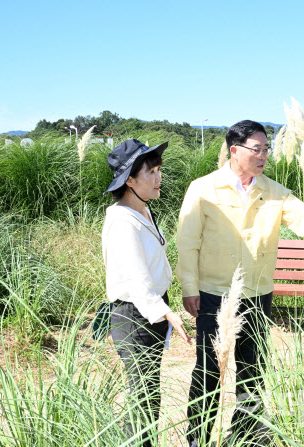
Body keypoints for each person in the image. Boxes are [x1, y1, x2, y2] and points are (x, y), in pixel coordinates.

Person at [176, 120, 304, 446]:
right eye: (257, 149)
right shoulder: (203, 188)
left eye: (266, 149)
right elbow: (187, 242)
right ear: (234, 150)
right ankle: (197, 438)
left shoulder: (273, 190)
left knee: (252, 371)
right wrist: (189, 287)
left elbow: (301, 216)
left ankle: (244, 435)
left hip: (257, 295)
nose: (264, 155)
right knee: (209, 372)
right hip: (214, 294)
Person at [102, 139, 191, 447]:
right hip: (134, 315)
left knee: (149, 393)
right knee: (143, 396)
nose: (158, 178)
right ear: (129, 180)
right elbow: (136, 276)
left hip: (151, 311)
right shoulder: (122, 220)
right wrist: (165, 312)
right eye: (150, 172)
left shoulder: (142, 212)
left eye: (158, 170)